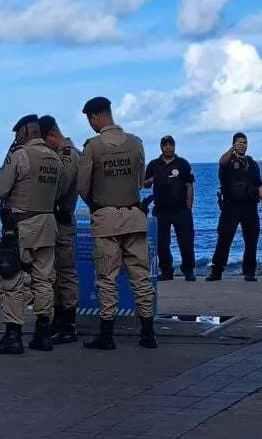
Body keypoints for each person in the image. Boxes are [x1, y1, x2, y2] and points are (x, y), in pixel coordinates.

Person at [77, 96, 158, 350]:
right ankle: (148, 333)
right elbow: (140, 179)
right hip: (134, 216)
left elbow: (82, 186)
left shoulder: (93, 146)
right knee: (141, 277)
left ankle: (107, 334)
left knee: (107, 278)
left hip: (106, 219)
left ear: (94, 118)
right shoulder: (136, 143)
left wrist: (96, 204)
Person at [0, 114, 65, 355]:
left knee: (12, 280)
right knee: (44, 281)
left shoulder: (20, 155)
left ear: (24, 132)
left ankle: (13, 336)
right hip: (48, 225)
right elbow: (58, 192)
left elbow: (0, 189)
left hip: (22, 226)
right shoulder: (55, 158)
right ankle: (43, 334)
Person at [38, 115, 81, 344]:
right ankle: (58, 320)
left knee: (65, 273)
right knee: (53, 275)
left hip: (62, 221)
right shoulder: (58, 154)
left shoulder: (68, 155)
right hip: (53, 222)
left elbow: (60, 185)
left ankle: (68, 323)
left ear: (52, 136)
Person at [207, 132, 262, 282]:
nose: (242, 145)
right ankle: (216, 271)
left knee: (251, 240)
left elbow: (259, 185)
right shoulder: (227, 161)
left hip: (249, 207)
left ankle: (249, 272)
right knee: (224, 239)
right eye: (239, 142)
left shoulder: (251, 163)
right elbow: (221, 161)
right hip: (230, 207)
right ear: (233, 144)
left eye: (245, 142)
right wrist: (232, 149)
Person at [144, 135, 196, 281]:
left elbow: (189, 186)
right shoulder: (154, 164)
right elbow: (145, 183)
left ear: (174, 146)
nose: (168, 147)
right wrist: (152, 179)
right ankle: (166, 271)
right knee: (162, 243)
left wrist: (189, 206)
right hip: (161, 209)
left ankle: (188, 270)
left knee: (186, 241)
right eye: (165, 145)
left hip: (180, 209)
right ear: (161, 147)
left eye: (170, 144)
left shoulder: (183, 164)